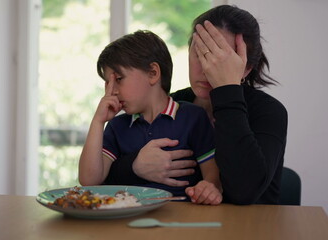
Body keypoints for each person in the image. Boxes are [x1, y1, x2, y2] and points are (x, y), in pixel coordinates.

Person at [105, 5, 288, 205]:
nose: (206, 68)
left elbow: (244, 192)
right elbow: (101, 181)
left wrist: (227, 89)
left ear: (245, 68)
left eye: (220, 59)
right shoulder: (172, 106)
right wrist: (134, 166)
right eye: (199, 53)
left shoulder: (269, 112)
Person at [78, 30, 222, 205]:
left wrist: (208, 188)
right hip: (127, 221)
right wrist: (98, 121)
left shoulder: (192, 117)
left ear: (153, 73)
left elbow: (213, 177)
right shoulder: (117, 126)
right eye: (107, 83)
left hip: (181, 220)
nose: (112, 91)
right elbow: (89, 180)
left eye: (119, 79)